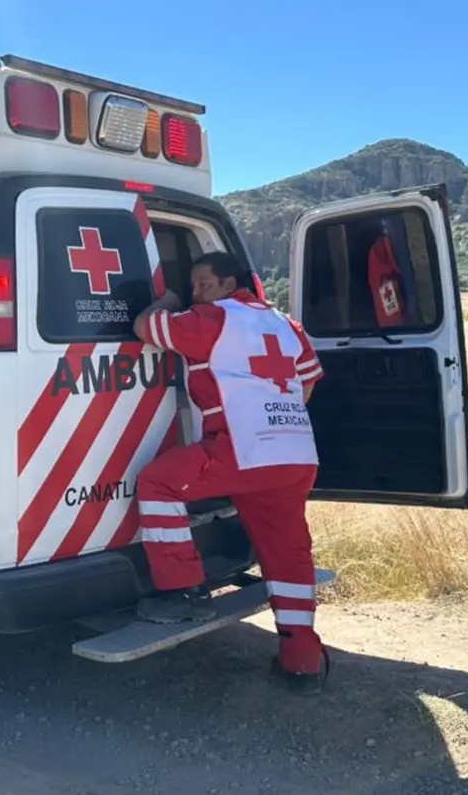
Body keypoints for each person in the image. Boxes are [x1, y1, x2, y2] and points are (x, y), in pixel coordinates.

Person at [129, 251, 328, 695]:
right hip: (295, 453)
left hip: (239, 449)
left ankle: (183, 591)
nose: (198, 291)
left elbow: (145, 328)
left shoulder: (209, 320)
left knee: (158, 483)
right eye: (194, 285)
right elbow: (308, 381)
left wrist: (167, 300)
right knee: (288, 554)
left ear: (227, 284)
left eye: (204, 283)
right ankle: (303, 661)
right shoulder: (285, 324)